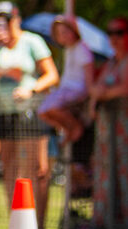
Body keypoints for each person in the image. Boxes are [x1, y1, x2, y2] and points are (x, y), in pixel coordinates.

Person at [0, 1, 59, 229]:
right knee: (11, 169)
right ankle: (17, 227)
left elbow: (51, 75)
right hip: (5, 113)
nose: (4, 25)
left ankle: (39, 228)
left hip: (30, 113)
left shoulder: (32, 42)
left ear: (17, 19)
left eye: (8, 20)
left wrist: (31, 89)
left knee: (36, 170)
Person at [85, 17, 128, 229]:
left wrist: (103, 94)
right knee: (106, 175)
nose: (114, 38)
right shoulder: (111, 62)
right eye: (110, 33)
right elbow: (95, 88)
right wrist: (95, 98)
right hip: (107, 134)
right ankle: (107, 227)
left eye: (119, 33)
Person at [37, 15, 94, 145]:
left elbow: (88, 77)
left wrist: (91, 98)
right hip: (66, 89)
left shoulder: (82, 49)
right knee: (43, 112)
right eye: (60, 33)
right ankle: (68, 129)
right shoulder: (69, 50)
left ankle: (75, 127)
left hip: (76, 90)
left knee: (51, 108)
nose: (64, 36)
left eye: (66, 31)